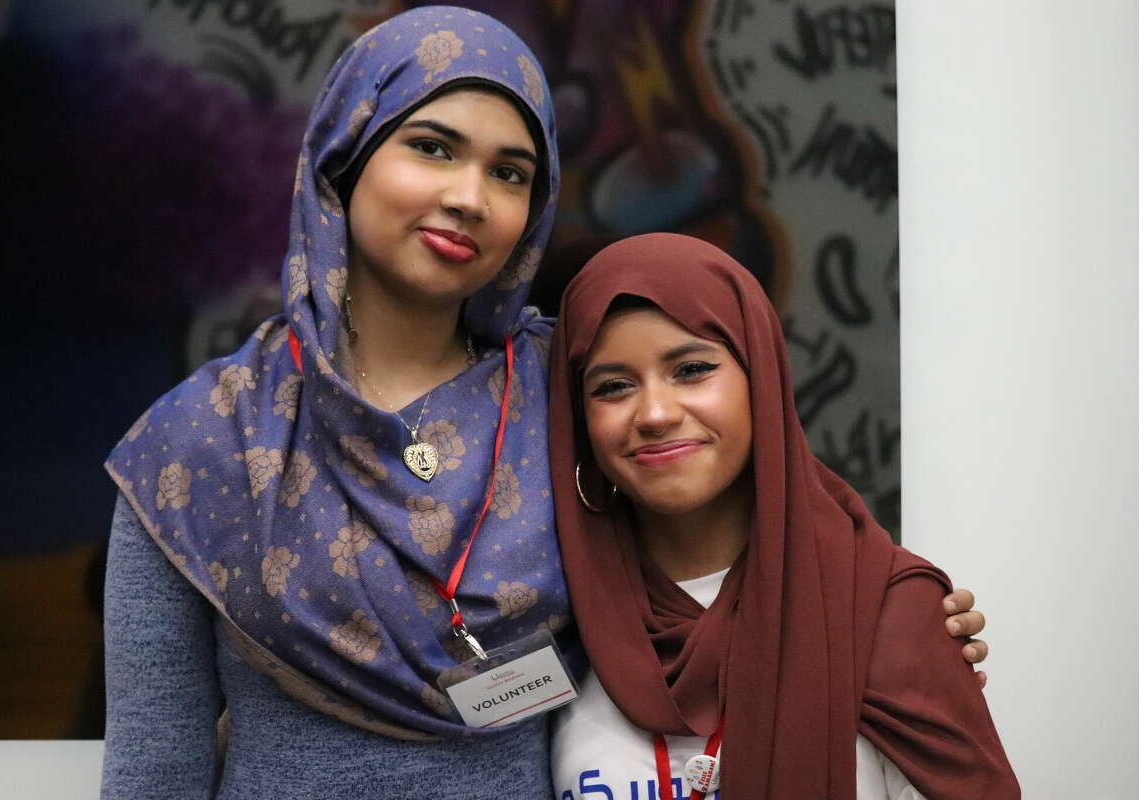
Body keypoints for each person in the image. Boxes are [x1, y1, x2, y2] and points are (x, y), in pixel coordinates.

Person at [101, 8, 989, 799]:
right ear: (346, 148)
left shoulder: (576, 390)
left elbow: (780, 532)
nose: (470, 197)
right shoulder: (199, 442)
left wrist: (899, 621)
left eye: (513, 172)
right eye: (433, 147)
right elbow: (155, 770)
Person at [547, 233, 1018, 800]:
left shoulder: (881, 608)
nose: (654, 413)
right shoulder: (557, 611)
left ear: (761, 381)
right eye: (613, 386)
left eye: (692, 369)